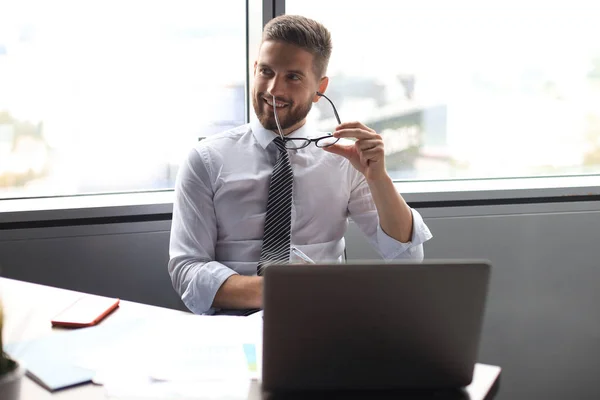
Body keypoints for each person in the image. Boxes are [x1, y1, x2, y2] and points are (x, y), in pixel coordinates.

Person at [168, 15, 432, 315]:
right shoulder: (206, 159)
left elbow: (407, 258)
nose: (273, 89)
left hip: (320, 324)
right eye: (266, 71)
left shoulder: (344, 159)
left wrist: (378, 178)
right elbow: (187, 271)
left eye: (293, 77)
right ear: (254, 70)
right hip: (233, 326)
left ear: (320, 87)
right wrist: (285, 292)